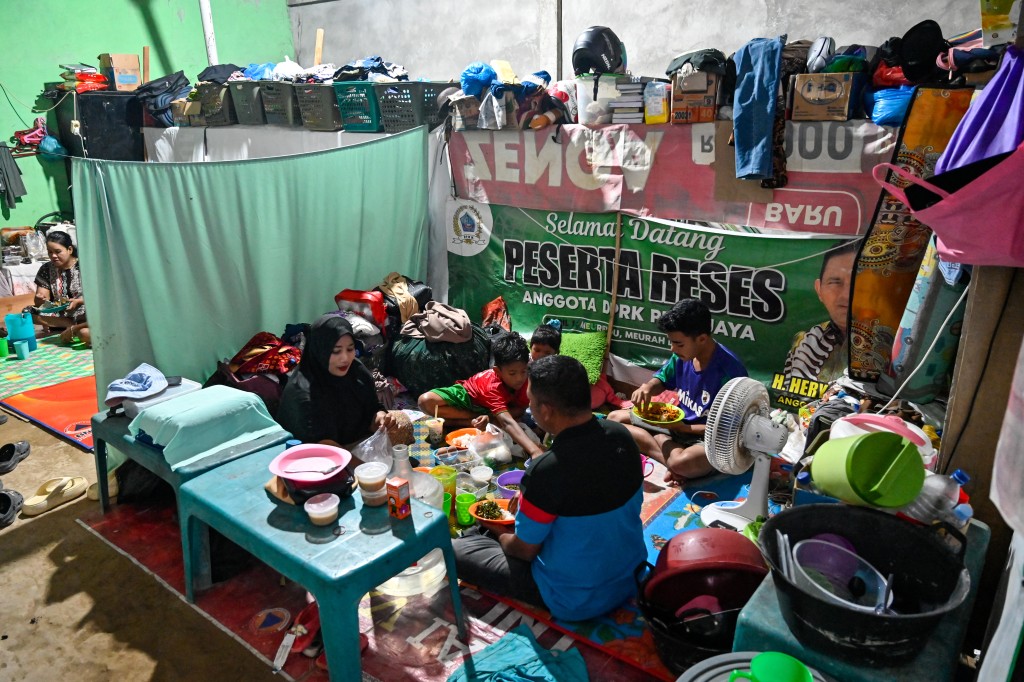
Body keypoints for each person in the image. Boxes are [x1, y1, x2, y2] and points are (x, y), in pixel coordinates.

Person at [453, 355, 646, 621]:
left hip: (574, 599)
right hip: (629, 577)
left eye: (531, 401)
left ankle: (483, 535)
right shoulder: (620, 434)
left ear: (545, 410)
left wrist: (499, 531)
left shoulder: (546, 470)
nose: (529, 406)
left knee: (454, 550)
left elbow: (523, 550)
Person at [607, 298, 747, 484]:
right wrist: (647, 387)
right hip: (676, 425)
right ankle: (669, 458)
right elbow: (663, 379)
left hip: (706, 438)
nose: (673, 349)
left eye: (679, 344)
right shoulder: (682, 356)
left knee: (684, 463)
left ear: (702, 339)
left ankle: (665, 449)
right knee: (613, 421)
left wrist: (683, 428)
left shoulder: (731, 373)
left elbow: (732, 429)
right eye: (671, 342)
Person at [419, 332, 544, 459]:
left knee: (515, 416)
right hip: (469, 398)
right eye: (512, 373)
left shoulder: (526, 380)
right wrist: (534, 451)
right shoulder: (491, 385)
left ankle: (468, 422)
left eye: (523, 371)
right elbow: (507, 422)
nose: (519, 378)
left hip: (495, 412)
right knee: (425, 401)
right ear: (497, 371)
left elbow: (520, 410)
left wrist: (490, 418)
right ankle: (469, 421)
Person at [277, 315, 396, 448]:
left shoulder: (356, 371)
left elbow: (373, 408)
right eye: (336, 351)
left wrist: (381, 420)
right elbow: (325, 447)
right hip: (318, 456)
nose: (345, 358)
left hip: (358, 445)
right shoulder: (304, 392)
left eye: (350, 349)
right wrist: (365, 467)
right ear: (320, 350)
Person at [784, 240, 859, 383]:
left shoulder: (886, 346)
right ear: (819, 290)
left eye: (858, 283)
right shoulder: (805, 342)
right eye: (835, 282)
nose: (846, 295)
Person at [31, 231, 90, 345]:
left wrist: (78, 301)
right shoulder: (46, 269)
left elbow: (98, 296)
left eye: (58, 252)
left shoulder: (85, 266)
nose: (53, 256)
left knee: (88, 312)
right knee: (28, 312)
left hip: (83, 309)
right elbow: (41, 302)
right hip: (60, 313)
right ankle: (72, 326)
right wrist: (40, 299)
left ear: (70, 250)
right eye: (50, 252)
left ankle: (78, 325)